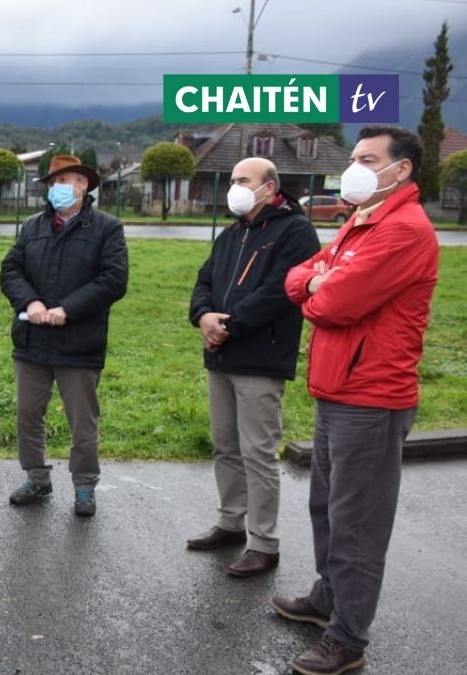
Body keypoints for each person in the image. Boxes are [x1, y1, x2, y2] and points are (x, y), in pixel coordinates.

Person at [275, 126, 439, 675]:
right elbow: (300, 278)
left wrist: (323, 284)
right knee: (327, 505)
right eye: (353, 157)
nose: (355, 167)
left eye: (368, 159)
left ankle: (348, 638)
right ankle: (327, 600)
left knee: (357, 523)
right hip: (336, 386)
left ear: (402, 170)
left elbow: (334, 303)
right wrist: (318, 279)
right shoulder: (362, 221)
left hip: (372, 396)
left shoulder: (405, 230)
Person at [185, 157, 320, 578]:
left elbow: (281, 291)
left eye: (243, 180)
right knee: (225, 445)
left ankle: (264, 543)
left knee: (257, 452)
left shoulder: (294, 231)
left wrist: (230, 326)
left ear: (269, 187)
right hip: (220, 355)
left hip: (260, 357)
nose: (235, 188)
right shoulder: (232, 233)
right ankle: (231, 522)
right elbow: (203, 282)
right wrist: (203, 316)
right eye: (232, 180)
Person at [0, 155, 127, 516]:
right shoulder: (33, 227)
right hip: (32, 341)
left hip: (79, 344)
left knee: (82, 423)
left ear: (84, 184)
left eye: (66, 179)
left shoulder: (107, 228)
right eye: (53, 182)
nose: (58, 187)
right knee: (28, 414)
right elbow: (10, 269)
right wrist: (31, 301)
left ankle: (84, 485)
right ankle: (37, 478)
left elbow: (113, 280)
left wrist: (67, 309)